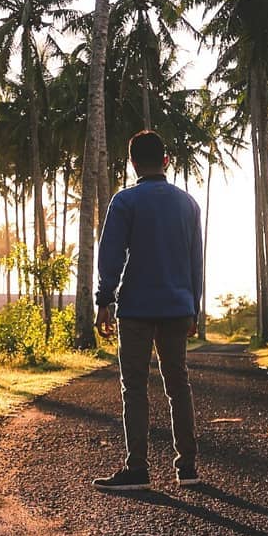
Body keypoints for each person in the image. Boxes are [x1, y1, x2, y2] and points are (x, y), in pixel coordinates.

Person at [93, 129, 203, 492]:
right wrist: (194, 307)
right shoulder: (188, 204)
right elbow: (194, 261)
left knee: (135, 387)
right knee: (178, 384)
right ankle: (187, 467)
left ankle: (137, 468)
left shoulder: (125, 202)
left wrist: (103, 301)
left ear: (133, 163)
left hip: (136, 308)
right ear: (167, 161)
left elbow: (110, 256)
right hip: (177, 307)